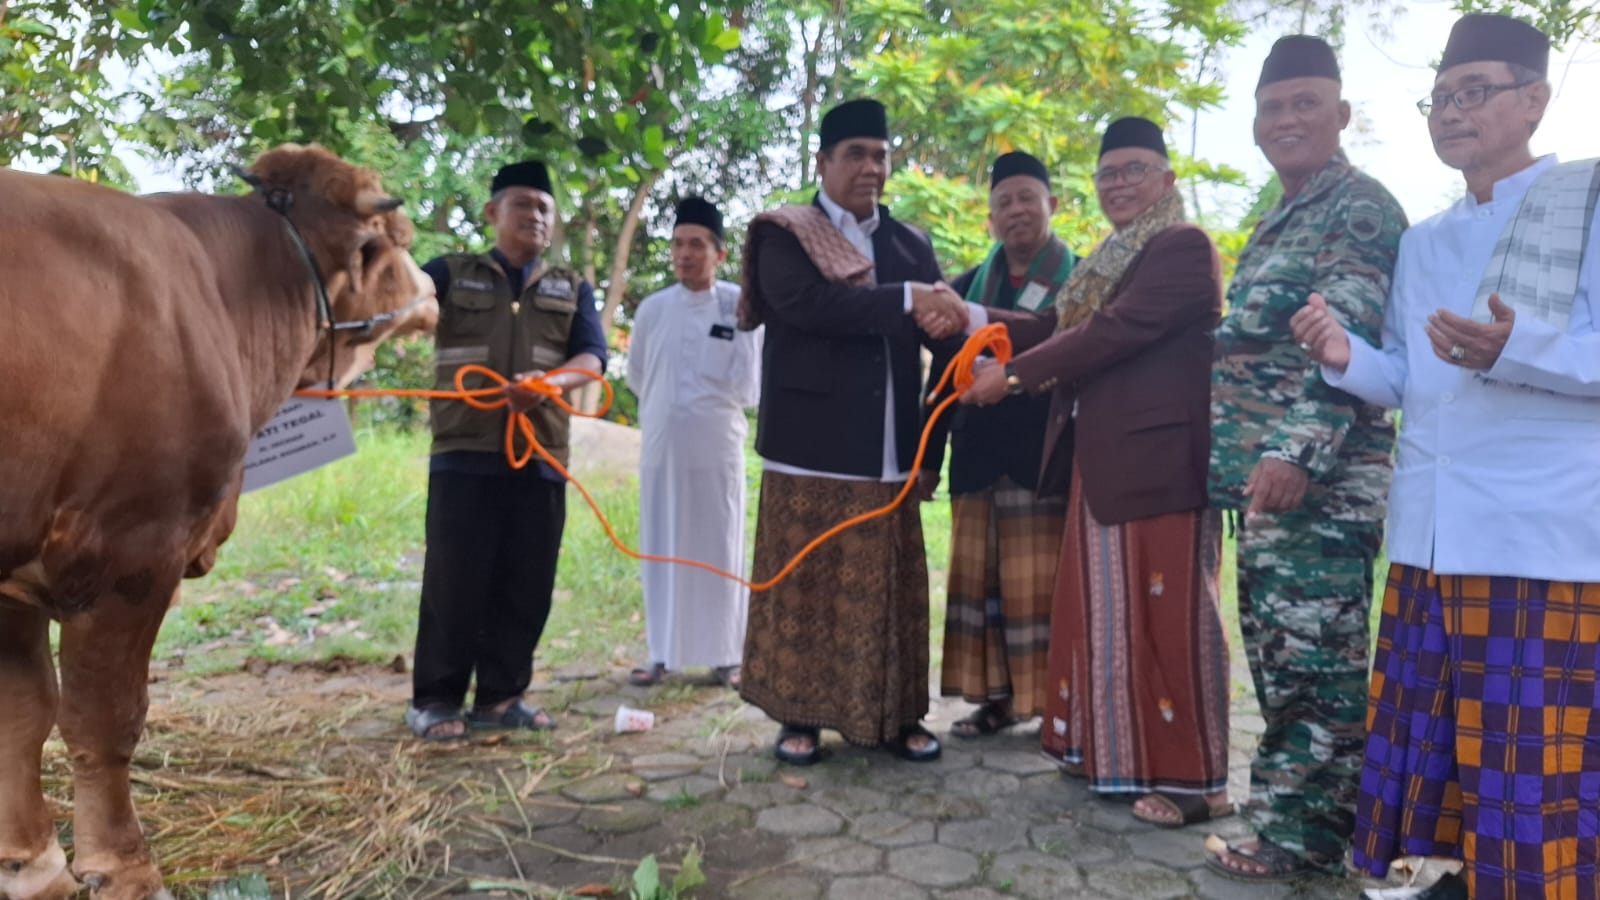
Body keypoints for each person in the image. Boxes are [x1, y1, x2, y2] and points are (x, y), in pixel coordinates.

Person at [1293, 14, 1600, 898]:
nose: (1453, 112)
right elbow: (1412, 380)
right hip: (1429, 537)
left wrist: (1517, 347)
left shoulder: (1586, 200)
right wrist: (1346, 356)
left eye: (1477, 92)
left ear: (1535, 100)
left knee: (1531, 761)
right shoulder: (1423, 240)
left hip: (1537, 537)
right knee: (1430, 748)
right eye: (1442, 97)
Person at [963, 117, 1228, 824]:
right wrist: (965, 315)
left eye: (1135, 170)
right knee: (1104, 616)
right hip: (1105, 462)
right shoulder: (1109, 259)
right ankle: (1110, 756)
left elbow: (1113, 332)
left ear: (1168, 181)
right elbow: (1057, 326)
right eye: (1108, 173)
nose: (1118, 184)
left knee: (1170, 618)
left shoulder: (1181, 247)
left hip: (1163, 465)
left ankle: (1194, 783)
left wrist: (1012, 379)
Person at [1204, 35, 1407, 881]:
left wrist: (1294, 454)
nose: (1286, 119)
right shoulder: (1283, 212)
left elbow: (1345, 341)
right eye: (1273, 107)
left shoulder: (1356, 208)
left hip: (1317, 486)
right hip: (1269, 489)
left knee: (1314, 667)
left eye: (1304, 104)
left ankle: (1305, 837)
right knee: (1285, 662)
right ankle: (1295, 821)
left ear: (1340, 115)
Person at [737, 98, 968, 766]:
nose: (870, 168)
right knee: (803, 588)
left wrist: (934, 445)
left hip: (890, 451)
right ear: (824, 162)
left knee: (886, 594)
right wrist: (904, 300)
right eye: (855, 154)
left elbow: (949, 345)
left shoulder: (909, 243)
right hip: (808, 448)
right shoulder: (785, 232)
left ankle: (895, 716)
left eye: (880, 155)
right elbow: (807, 306)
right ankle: (798, 715)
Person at [406, 160, 607, 741]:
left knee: (527, 580)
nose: (536, 216)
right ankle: (436, 698)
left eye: (545, 207)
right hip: (464, 450)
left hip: (540, 452)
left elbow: (592, 358)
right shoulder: (448, 272)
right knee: (454, 578)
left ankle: (501, 696)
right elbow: (402, 308)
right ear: (493, 212)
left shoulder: (571, 288)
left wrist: (547, 385)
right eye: (523, 204)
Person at [923, 151, 1075, 738]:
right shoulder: (963, 290)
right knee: (984, 588)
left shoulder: (1080, 280)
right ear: (990, 219)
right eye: (1004, 203)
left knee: (1042, 589)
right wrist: (929, 463)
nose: (1016, 212)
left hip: (1046, 459)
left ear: (1051, 206)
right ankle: (998, 700)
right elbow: (937, 383)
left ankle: (1055, 701)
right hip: (978, 460)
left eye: (1026, 199)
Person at [626, 197, 762, 689]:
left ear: (719, 254)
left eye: (697, 245)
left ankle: (727, 655)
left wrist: (743, 331)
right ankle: (661, 651)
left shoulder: (740, 305)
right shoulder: (653, 309)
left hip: (716, 449)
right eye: (679, 244)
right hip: (662, 447)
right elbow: (639, 377)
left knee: (719, 545)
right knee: (661, 543)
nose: (685, 254)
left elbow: (750, 390)